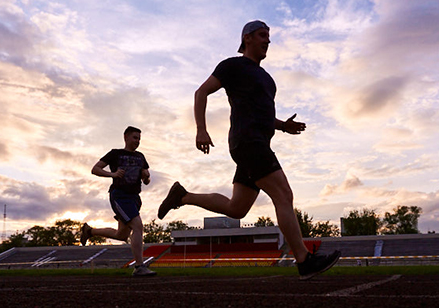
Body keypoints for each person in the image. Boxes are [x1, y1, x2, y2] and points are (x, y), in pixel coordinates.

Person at [158, 20, 340, 280]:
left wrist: (283, 126)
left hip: (258, 143)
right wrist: (201, 128)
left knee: (237, 209)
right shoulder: (232, 65)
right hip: (248, 142)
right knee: (284, 194)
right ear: (247, 38)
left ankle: (182, 196)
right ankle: (304, 260)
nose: (268, 41)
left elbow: (262, 116)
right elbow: (201, 92)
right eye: (262, 35)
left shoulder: (268, 80)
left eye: (269, 36)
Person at [80, 126, 156, 277]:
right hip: (120, 196)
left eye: (139, 139)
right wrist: (112, 174)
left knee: (122, 235)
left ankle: (90, 231)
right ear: (126, 137)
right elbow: (95, 169)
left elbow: (146, 181)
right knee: (138, 225)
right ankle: (139, 267)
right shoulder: (116, 153)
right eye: (135, 138)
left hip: (134, 198)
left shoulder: (141, 157)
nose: (137, 141)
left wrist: (146, 176)